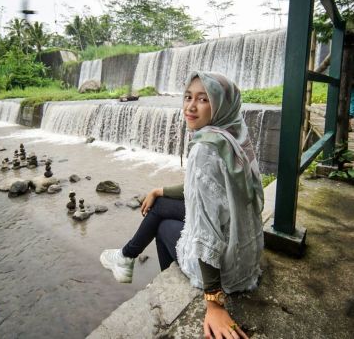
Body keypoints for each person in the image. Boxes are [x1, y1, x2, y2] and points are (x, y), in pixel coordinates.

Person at [100, 71, 263, 339]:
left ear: (220, 104)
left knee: (162, 224)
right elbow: (208, 191)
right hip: (246, 251)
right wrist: (159, 190)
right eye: (188, 97)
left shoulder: (206, 150)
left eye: (203, 99)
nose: (190, 106)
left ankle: (153, 269)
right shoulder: (234, 132)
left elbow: (207, 228)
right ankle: (127, 256)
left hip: (229, 270)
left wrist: (213, 302)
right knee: (161, 203)